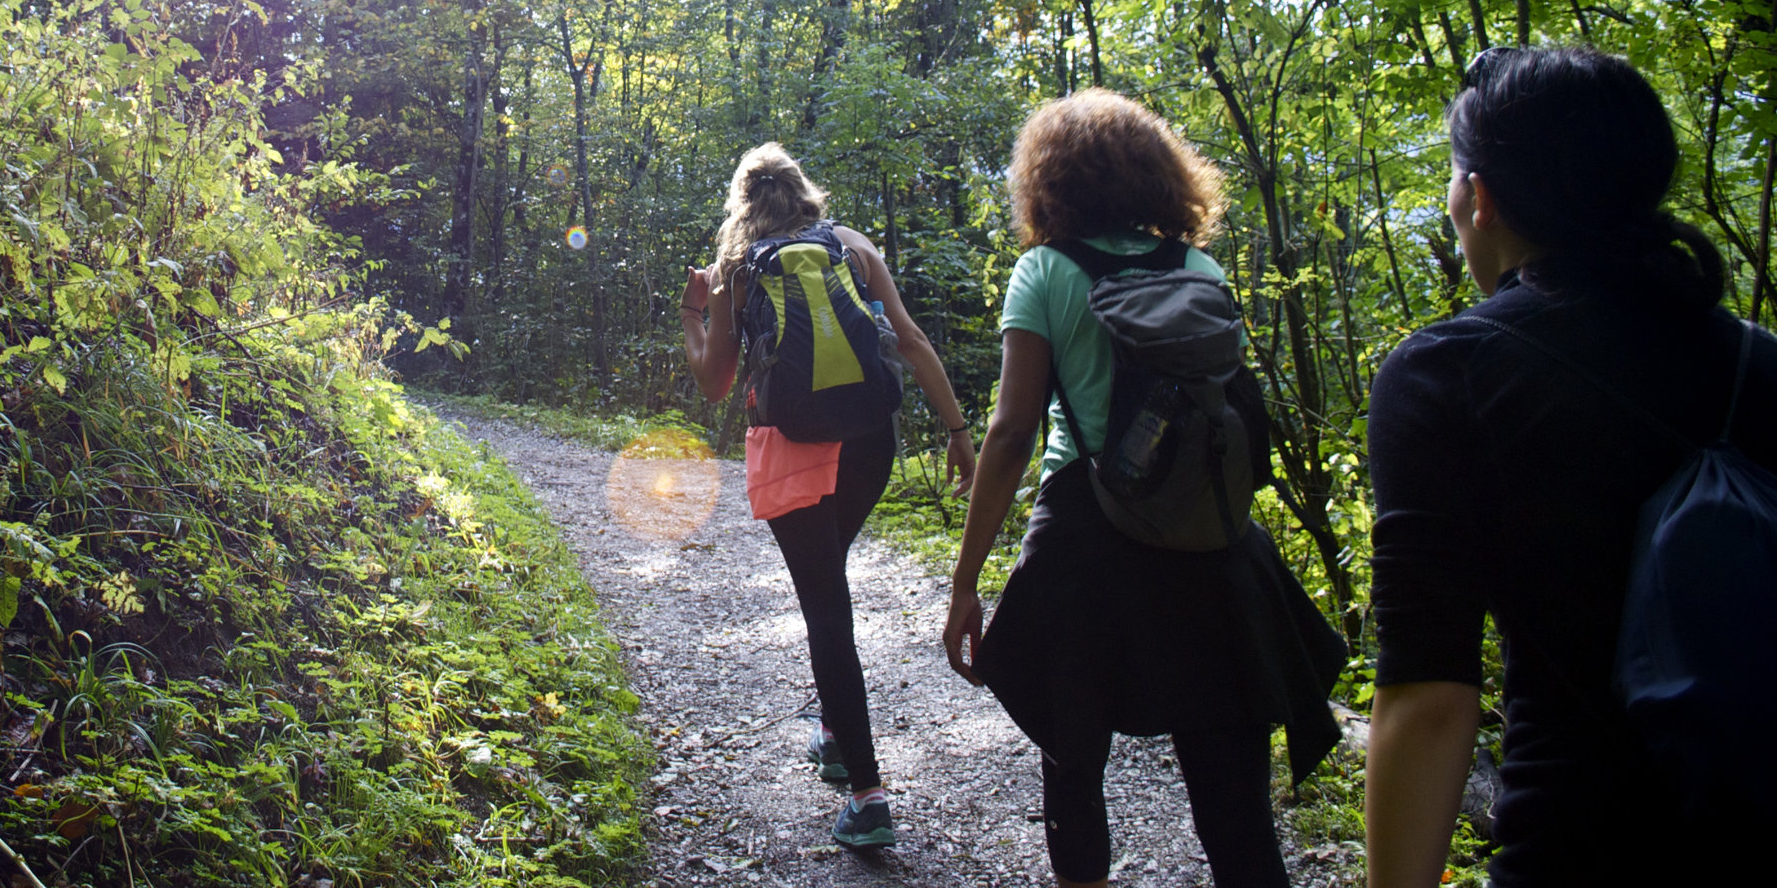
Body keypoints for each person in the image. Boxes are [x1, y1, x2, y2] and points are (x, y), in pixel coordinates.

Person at [1364, 45, 1774, 885]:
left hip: (1578, 846)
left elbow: (1432, 696)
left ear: (1480, 198)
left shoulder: (1451, 371)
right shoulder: (1755, 363)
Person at [940, 90, 1342, 888]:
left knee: (1073, 762)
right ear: (1159, 173)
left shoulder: (1045, 270)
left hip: (1085, 539)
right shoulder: (1199, 266)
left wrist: (965, 580)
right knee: (1234, 801)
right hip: (1208, 540)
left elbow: (1013, 428)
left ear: (1048, 182)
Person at [678, 141, 977, 851]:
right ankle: (837, 730)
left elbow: (714, 380)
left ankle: (868, 794)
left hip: (793, 449)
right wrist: (959, 430)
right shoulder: (849, 245)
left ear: (742, 206)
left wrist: (694, 311)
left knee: (826, 609)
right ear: (803, 192)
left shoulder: (733, 273)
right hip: (871, 438)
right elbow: (906, 339)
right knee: (829, 583)